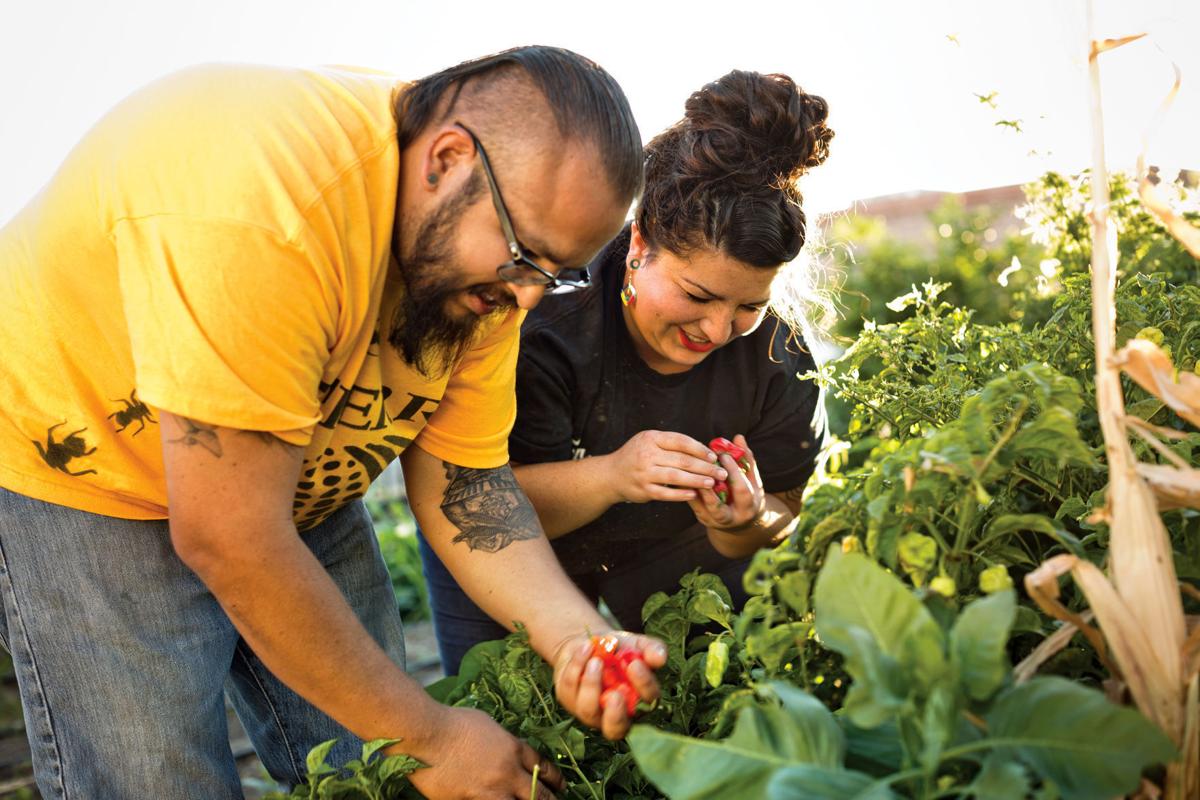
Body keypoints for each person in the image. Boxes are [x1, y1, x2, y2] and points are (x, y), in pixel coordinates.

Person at [0, 47, 668, 800]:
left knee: (367, 760)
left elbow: (468, 487)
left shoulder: (486, 270)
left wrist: (580, 639)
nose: (527, 301)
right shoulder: (268, 204)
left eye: (556, 274)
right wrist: (430, 739)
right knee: (157, 780)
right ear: (446, 159)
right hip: (87, 473)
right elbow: (230, 536)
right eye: (524, 259)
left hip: (291, 476)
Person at [420, 70, 833, 675]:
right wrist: (615, 474)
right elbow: (475, 498)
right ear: (639, 245)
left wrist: (743, 519)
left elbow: (783, 511)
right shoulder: (541, 321)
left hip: (669, 542)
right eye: (697, 295)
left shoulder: (779, 354)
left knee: (716, 684)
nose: (717, 331)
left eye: (748, 306)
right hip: (505, 544)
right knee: (516, 720)